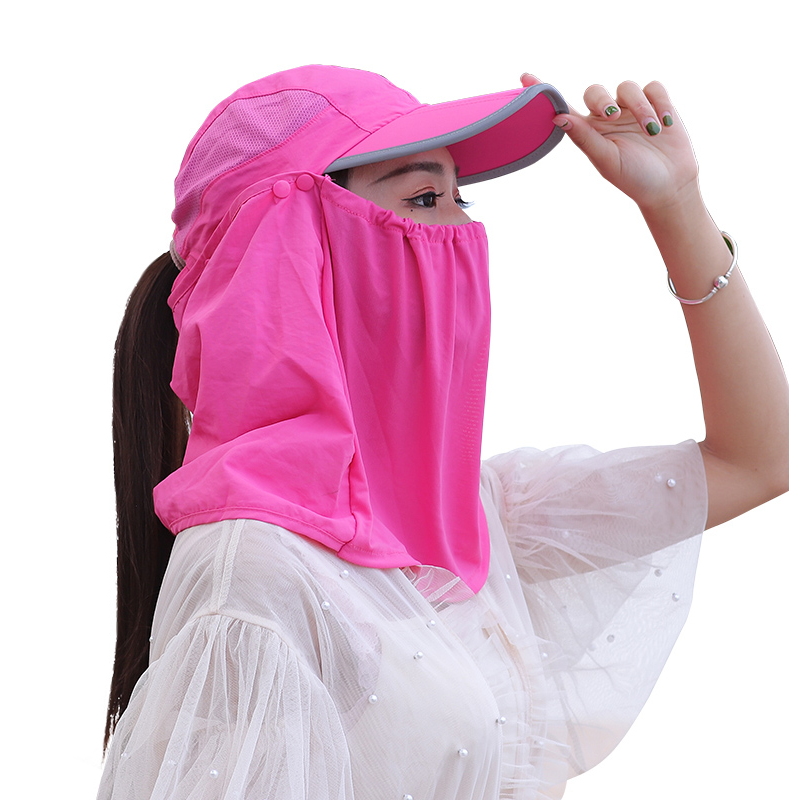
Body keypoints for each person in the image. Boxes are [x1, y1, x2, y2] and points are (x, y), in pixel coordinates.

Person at [99, 65, 789, 800]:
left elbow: (760, 458)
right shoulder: (252, 575)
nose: (461, 231)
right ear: (289, 249)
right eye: (424, 198)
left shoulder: (478, 519)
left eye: (461, 197)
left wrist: (676, 206)